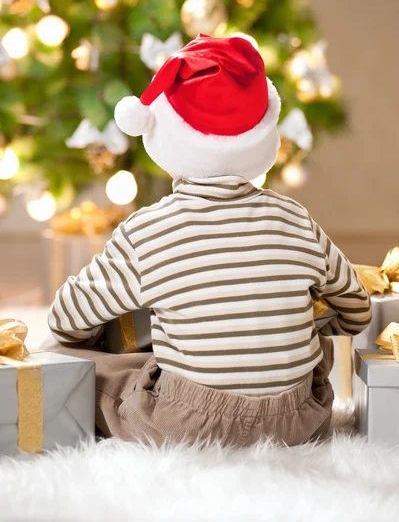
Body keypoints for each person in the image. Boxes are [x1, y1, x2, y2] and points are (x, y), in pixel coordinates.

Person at [47, 35, 371, 447]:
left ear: (158, 131)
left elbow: (65, 318)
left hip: (189, 423)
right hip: (299, 418)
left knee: (87, 367)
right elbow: (357, 311)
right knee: (314, 340)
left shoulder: (146, 230)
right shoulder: (296, 218)